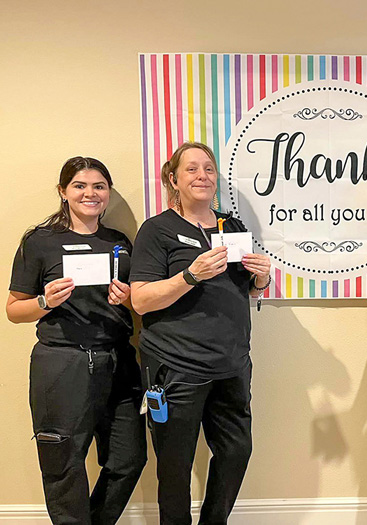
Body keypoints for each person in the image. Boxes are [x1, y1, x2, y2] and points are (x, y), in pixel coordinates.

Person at [129, 141, 271, 525]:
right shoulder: (157, 231)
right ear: (173, 178)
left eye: (208, 169)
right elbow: (140, 301)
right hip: (176, 368)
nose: (202, 176)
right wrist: (191, 275)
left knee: (236, 452)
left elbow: (248, 292)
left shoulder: (232, 226)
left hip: (232, 366)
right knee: (175, 467)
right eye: (191, 169)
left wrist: (262, 278)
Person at [6, 157, 146, 524]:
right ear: (63, 192)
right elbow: (13, 310)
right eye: (80, 186)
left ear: (108, 193)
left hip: (118, 360)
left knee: (129, 460)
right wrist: (44, 301)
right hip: (62, 362)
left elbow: (137, 301)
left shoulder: (120, 242)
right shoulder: (40, 242)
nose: (90, 193)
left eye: (99, 186)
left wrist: (127, 298)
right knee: (63, 464)